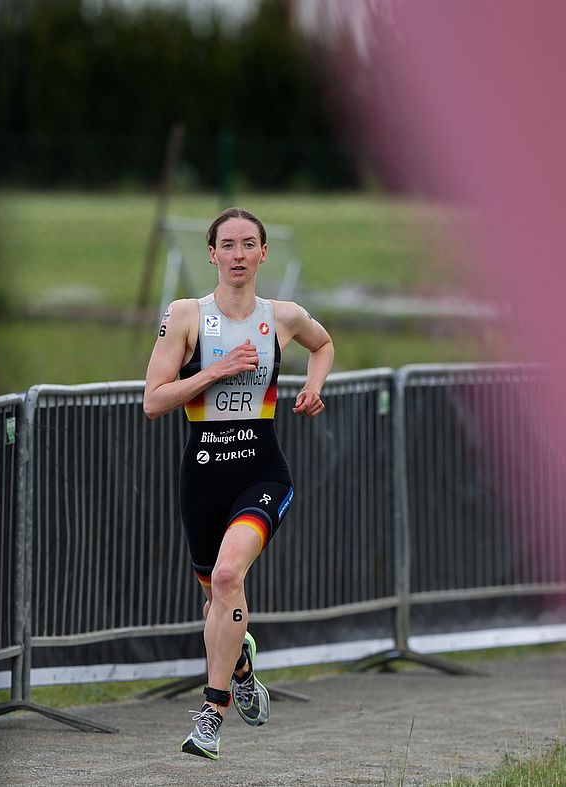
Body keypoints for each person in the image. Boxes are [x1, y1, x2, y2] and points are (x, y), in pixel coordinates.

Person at [143, 207, 334, 760]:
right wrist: (213, 372)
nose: (238, 255)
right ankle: (243, 665)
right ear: (211, 254)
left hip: (262, 470)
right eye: (227, 245)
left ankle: (212, 711)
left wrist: (314, 387)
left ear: (263, 254)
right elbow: (153, 401)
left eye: (249, 244)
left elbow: (323, 344)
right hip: (203, 475)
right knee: (217, 597)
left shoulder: (284, 316)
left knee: (229, 574)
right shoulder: (184, 316)